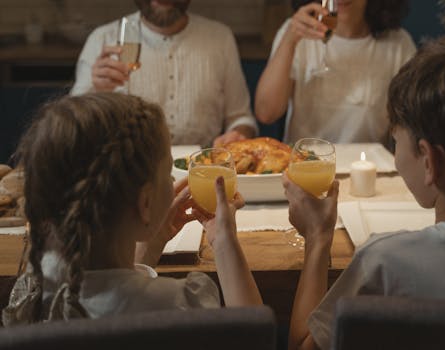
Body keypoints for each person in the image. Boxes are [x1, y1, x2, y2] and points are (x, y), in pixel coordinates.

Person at [283, 31, 445, 350]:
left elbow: (303, 346)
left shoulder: (384, 264)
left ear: (430, 162)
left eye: (396, 142)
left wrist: (318, 239)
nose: (396, 156)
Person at [2, 93, 261, 325]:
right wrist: (225, 242)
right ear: (145, 204)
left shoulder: (33, 293)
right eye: (168, 173)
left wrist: (149, 243)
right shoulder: (178, 305)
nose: (173, 182)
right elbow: (254, 338)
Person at [71, 0, 257, 147]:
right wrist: (96, 94)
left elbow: (241, 118)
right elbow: (72, 130)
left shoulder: (220, 38)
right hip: (127, 175)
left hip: (201, 172)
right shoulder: (103, 39)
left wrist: (239, 135)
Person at [255, 0, 416, 145]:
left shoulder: (399, 44)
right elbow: (266, 113)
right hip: (306, 167)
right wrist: (290, 39)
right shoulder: (296, 31)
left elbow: (413, 124)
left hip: (370, 168)